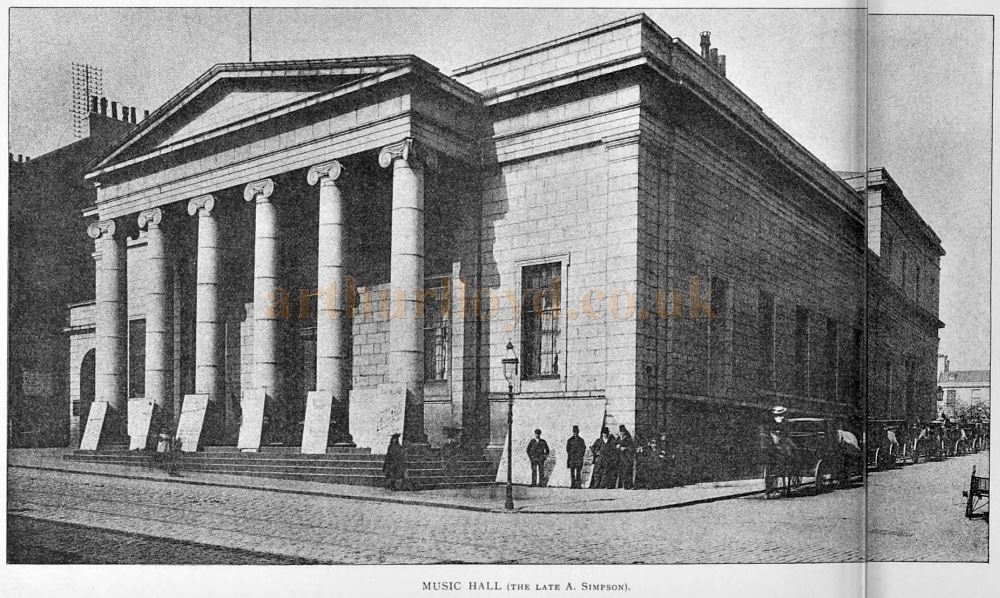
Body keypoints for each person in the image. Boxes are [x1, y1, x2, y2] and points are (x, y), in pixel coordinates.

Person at [617, 425, 635, 489]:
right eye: (620, 432)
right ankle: (621, 484)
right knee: (622, 471)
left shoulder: (628, 439)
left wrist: (625, 448)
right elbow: (615, 445)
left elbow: (632, 448)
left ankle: (628, 485)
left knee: (627, 470)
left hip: (627, 456)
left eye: (623, 432)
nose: (621, 433)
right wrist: (617, 446)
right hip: (620, 457)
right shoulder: (619, 438)